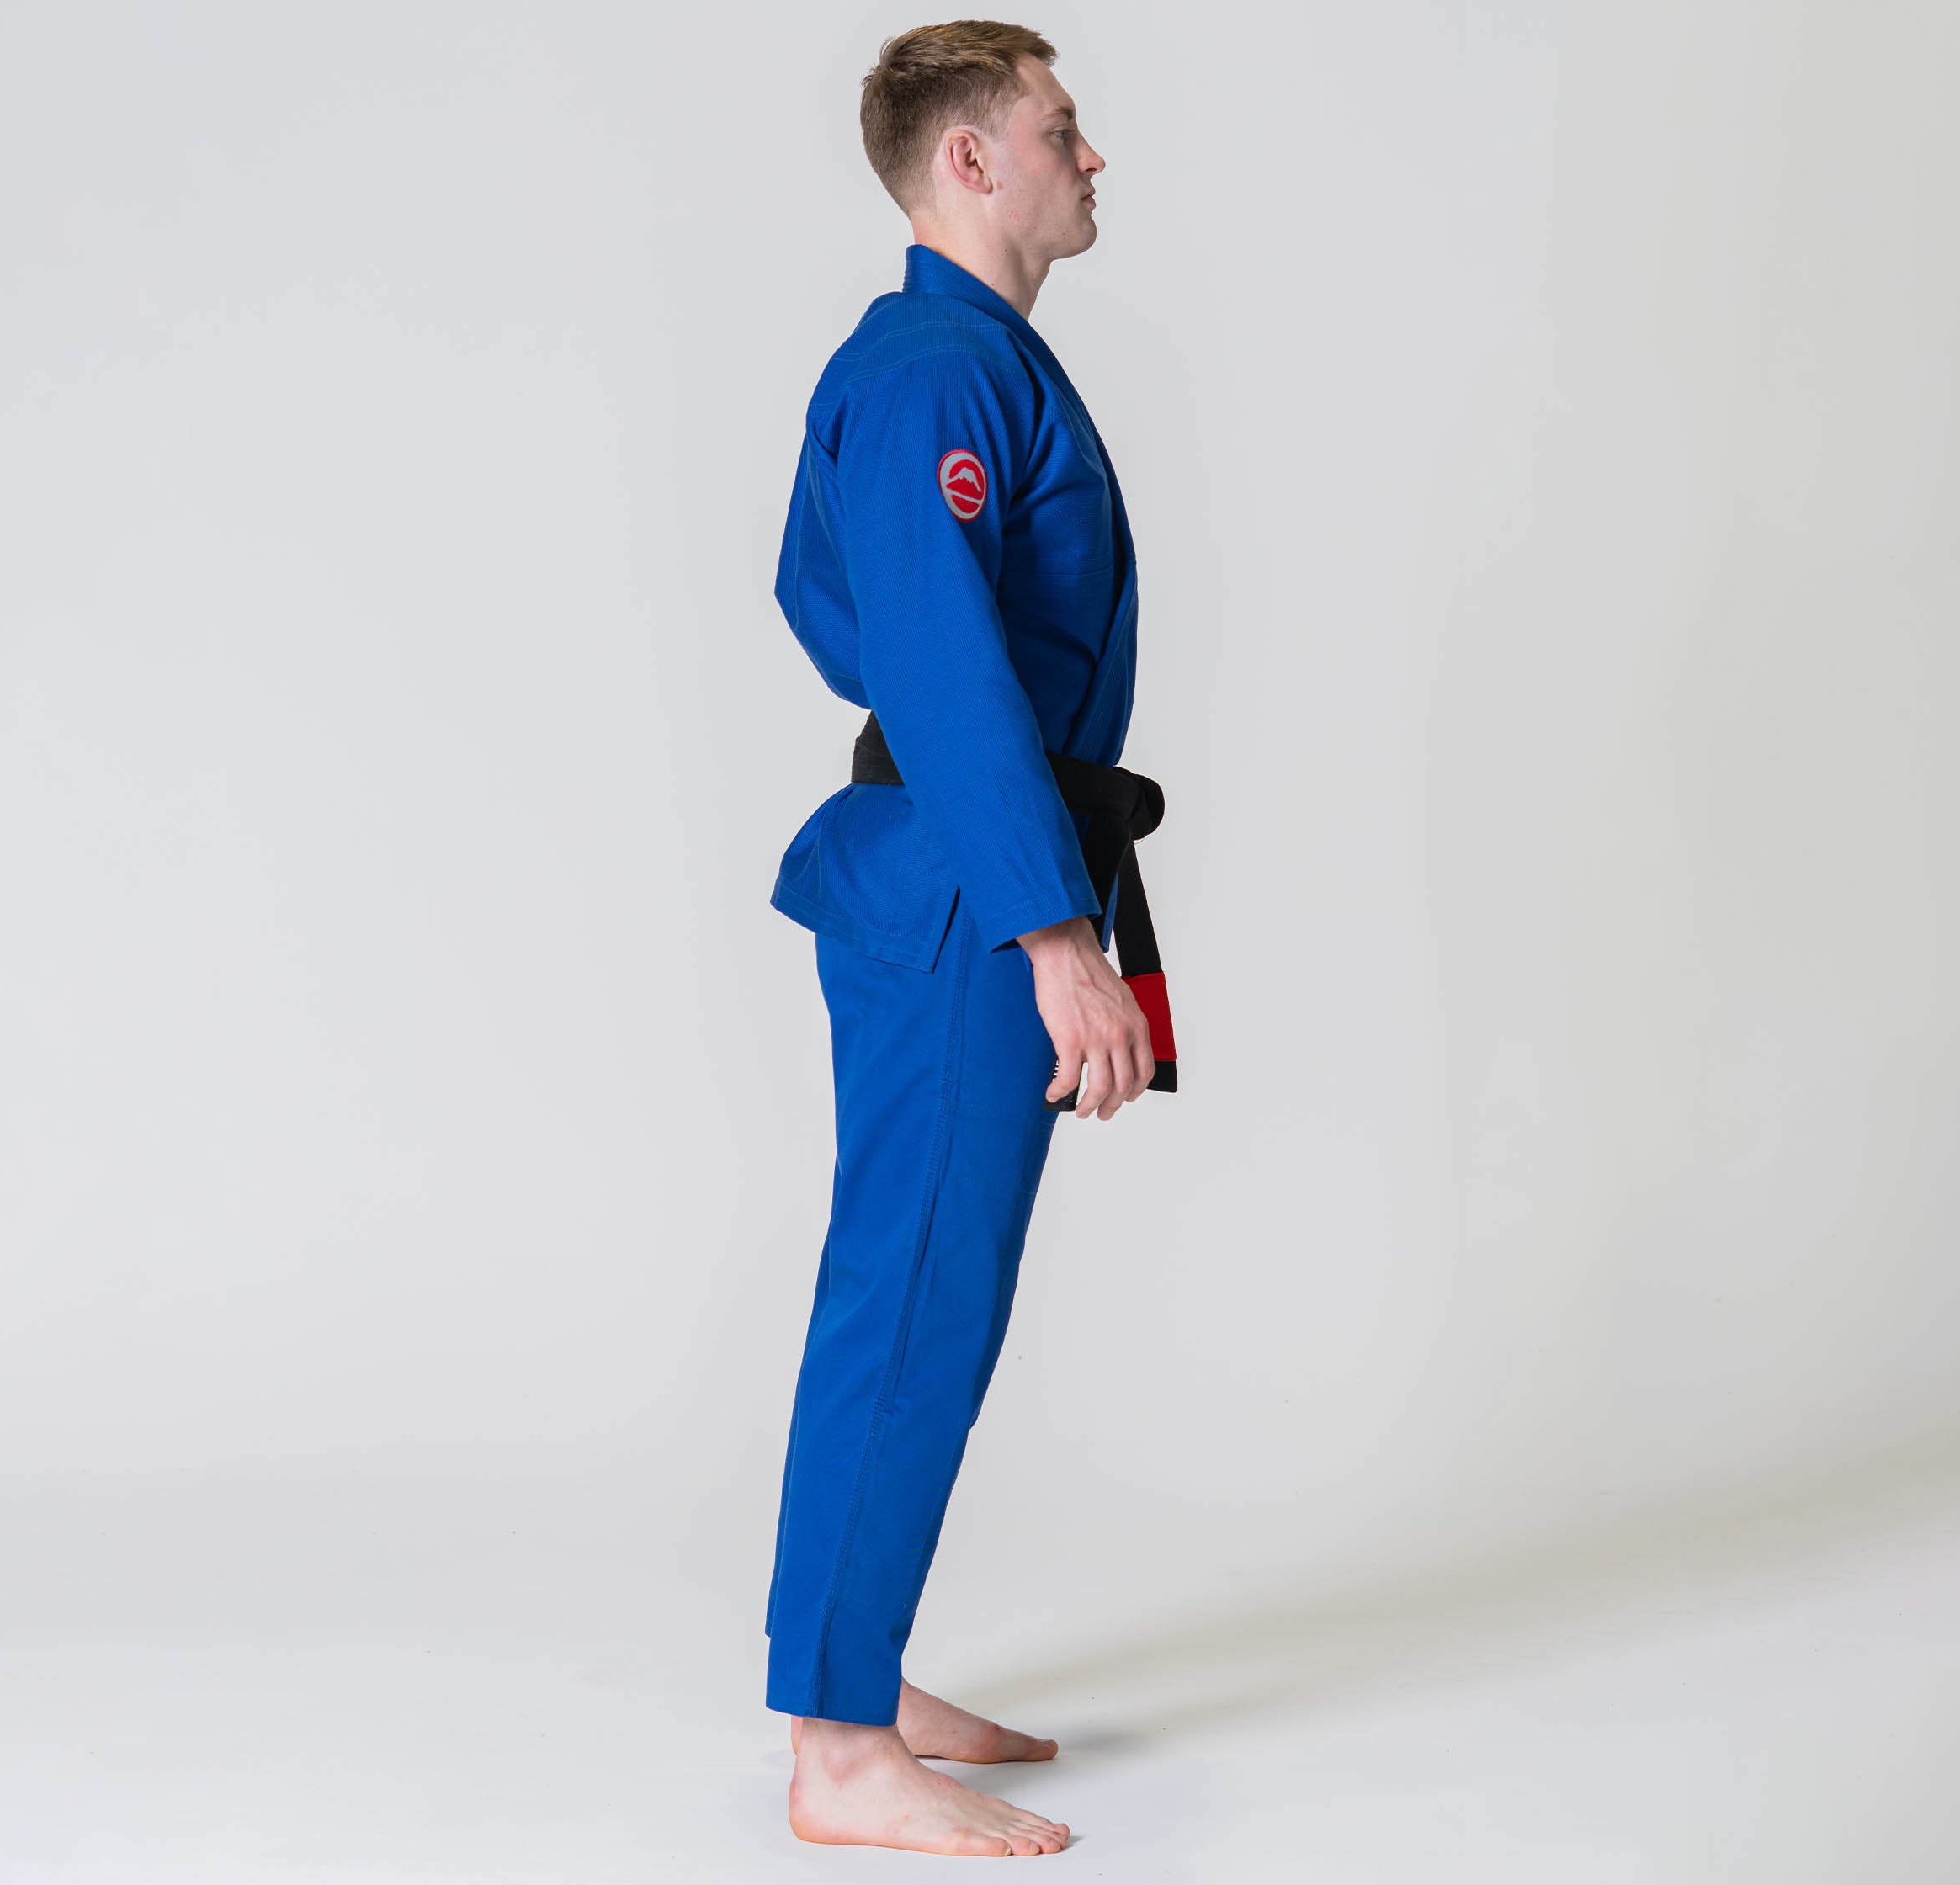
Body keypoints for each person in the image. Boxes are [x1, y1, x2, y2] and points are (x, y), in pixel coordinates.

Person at [763, 21, 1167, 1857]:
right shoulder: (935, 364)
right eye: (1062, 133)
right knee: (914, 1288)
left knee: (929, 1284)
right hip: (958, 898)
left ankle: (862, 1661)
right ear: (969, 166)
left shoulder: (953, 364)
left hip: (954, 873)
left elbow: (820, 591)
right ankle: (838, 1751)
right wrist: (1044, 931)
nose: (1095, 161)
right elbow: (927, 654)